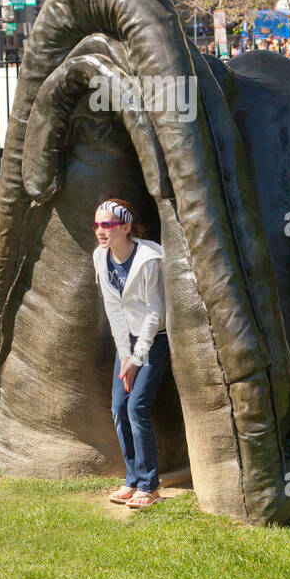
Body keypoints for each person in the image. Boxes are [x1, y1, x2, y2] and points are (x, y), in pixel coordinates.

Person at [93, 198, 169, 510]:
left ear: (125, 227)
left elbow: (155, 312)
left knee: (137, 407)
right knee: (118, 407)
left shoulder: (149, 259)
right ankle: (133, 478)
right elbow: (114, 308)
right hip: (128, 341)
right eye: (97, 224)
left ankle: (149, 486)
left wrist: (138, 359)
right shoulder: (100, 256)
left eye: (107, 224)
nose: (100, 230)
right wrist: (125, 354)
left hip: (155, 338)